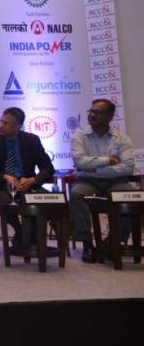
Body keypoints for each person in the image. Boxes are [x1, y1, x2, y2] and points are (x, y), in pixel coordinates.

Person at [0, 107, 55, 246]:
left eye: (6, 123)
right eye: (1, 121)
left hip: (27, 186)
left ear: (18, 126)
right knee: (5, 203)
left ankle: (29, 235)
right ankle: (21, 232)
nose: (1, 125)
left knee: (52, 202)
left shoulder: (32, 140)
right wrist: (3, 177)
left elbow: (48, 168)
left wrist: (32, 180)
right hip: (1, 187)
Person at [70, 98, 135, 263]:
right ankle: (87, 244)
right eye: (91, 111)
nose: (92, 115)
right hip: (87, 181)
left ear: (110, 116)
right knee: (76, 193)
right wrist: (108, 160)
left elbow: (128, 167)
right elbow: (80, 162)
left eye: (98, 112)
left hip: (116, 181)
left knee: (130, 196)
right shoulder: (79, 136)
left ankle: (113, 242)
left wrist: (96, 169)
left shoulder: (121, 138)